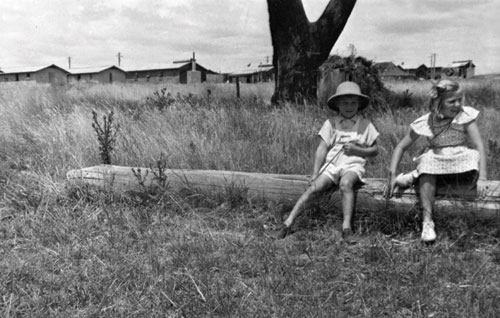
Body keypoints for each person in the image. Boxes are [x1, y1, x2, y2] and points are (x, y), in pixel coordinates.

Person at [386, 79, 487, 243]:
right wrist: (391, 174)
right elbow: (401, 147)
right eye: (451, 101)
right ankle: (427, 222)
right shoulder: (427, 121)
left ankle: (413, 176)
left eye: (459, 100)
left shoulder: (465, 116)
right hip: (437, 158)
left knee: (472, 156)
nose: (457, 105)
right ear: (438, 103)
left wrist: (482, 178)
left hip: (458, 157)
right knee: (428, 161)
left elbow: (479, 145)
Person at [277, 81, 379, 241]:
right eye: (345, 102)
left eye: (353, 103)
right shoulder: (331, 124)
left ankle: (346, 228)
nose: (349, 106)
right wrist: (315, 173)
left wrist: (358, 151)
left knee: (346, 184)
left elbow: (375, 150)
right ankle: (287, 223)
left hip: (353, 164)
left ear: (359, 104)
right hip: (332, 164)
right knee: (314, 188)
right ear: (337, 104)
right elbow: (322, 148)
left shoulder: (365, 125)